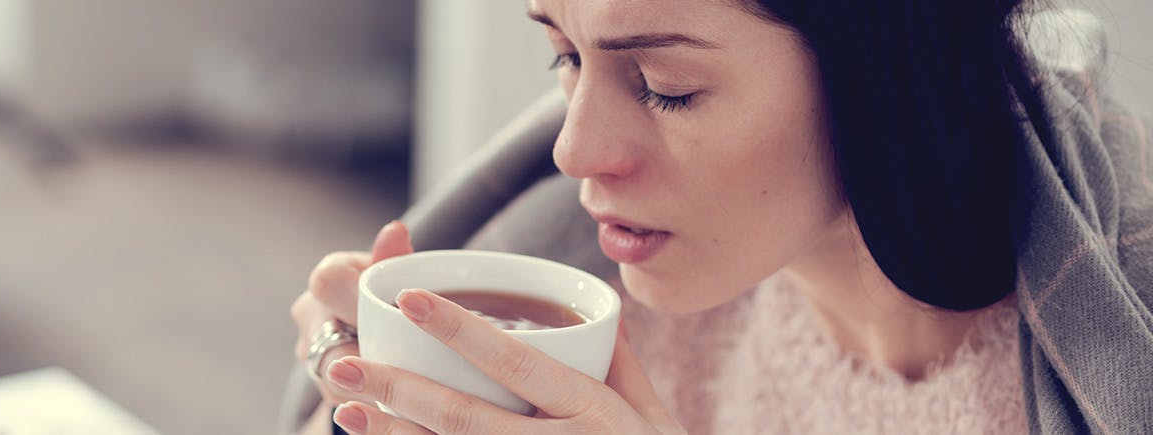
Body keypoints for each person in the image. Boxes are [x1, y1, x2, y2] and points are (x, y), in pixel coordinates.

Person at [289, 0, 1153, 433]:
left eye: (668, 89)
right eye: (564, 53)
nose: (572, 150)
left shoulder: (1108, 361)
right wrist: (355, 377)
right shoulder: (591, 315)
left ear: (886, 77)